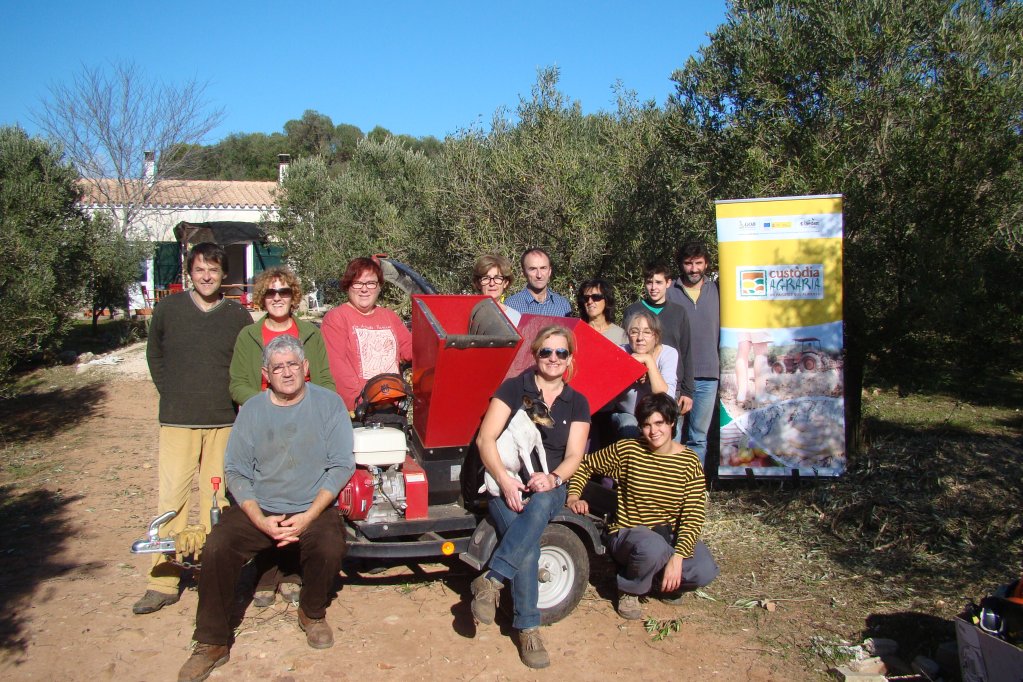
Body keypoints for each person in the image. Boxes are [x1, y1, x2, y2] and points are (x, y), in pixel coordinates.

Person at [177, 335, 354, 682]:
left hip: (311, 505)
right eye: (278, 367)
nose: (286, 373)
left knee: (330, 545)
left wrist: (308, 516)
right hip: (261, 505)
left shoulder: (329, 405)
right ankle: (211, 642)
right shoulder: (253, 411)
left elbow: (340, 465)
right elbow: (236, 471)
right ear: (266, 374)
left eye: (292, 365)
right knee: (217, 547)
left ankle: (312, 612)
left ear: (305, 368)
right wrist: (259, 518)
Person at [133, 242, 252, 616]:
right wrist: (172, 391)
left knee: (218, 503)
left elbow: (247, 363)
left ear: (223, 275)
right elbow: (156, 355)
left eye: (214, 271)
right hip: (178, 419)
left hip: (223, 420)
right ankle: (163, 580)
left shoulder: (237, 315)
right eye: (200, 269)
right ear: (189, 271)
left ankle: (215, 575)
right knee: (172, 500)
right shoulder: (168, 310)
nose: (206, 276)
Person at [470, 325, 590, 669]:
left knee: (538, 506)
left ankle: (492, 581)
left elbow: (574, 457)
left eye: (561, 353)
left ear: (569, 359)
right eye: (546, 352)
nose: (553, 359)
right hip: (504, 483)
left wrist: (552, 478)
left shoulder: (577, 402)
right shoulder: (514, 388)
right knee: (530, 543)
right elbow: (485, 440)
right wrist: (505, 482)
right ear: (535, 355)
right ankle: (528, 628)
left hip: (551, 485)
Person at [229, 266, 336, 606]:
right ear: (262, 296)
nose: (277, 298)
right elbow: (238, 383)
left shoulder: (309, 335)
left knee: (299, 491)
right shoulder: (249, 336)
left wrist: (313, 411)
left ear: (293, 296)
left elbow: (323, 379)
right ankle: (265, 570)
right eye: (271, 293)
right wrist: (266, 405)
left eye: (284, 292)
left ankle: (291, 570)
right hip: (263, 424)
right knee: (266, 491)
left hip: (303, 423)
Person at [567, 393, 718, 621]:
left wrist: (677, 558)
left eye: (659, 423)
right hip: (630, 533)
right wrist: (573, 495)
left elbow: (693, 514)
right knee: (651, 548)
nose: (653, 431)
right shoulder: (629, 450)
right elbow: (584, 465)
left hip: (667, 536)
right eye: (646, 425)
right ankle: (630, 588)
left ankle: (660, 579)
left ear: (672, 423)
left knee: (704, 569)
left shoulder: (689, 462)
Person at [321, 257, 413, 411]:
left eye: (371, 283)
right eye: (358, 283)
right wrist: (362, 403)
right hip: (360, 409)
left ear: (379, 287)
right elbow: (337, 367)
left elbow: (410, 349)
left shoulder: (390, 317)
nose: (364, 289)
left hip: (393, 405)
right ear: (348, 285)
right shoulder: (336, 318)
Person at [666, 243, 720, 469]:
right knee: (673, 433)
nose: (694, 268)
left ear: (706, 263)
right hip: (677, 376)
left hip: (708, 375)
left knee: (698, 436)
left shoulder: (718, 290)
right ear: (681, 265)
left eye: (698, 263)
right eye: (689, 263)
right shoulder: (670, 292)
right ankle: (671, 487)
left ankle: (695, 488)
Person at [623, 261, 694, 417]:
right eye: (649, 282)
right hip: (638, 386)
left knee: (670, 433)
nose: (654, 287)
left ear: (668, 283)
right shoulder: (633, 311)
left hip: (671, 385)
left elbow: (686, 351)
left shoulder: (679, 312)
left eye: (659, 282)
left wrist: (687, 391)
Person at [611, 310, 678, 440]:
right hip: (628, 413)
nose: (640, 338)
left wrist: (649, 361)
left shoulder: (669, 353)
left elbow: (665, 396)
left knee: (674, 433)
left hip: (659, 414)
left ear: (656, 336)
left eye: (647, 332)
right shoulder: (620, 352)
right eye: (634, 332)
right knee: (629, 430)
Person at [504, 248, 572, 317]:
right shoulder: (511, 306)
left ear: (550, 271)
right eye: (533, 269)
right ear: (524, 273)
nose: (539, 275)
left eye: (543, 268)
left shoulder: (563, 305)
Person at [472, 254, 521, 326]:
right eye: (486, 278)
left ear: (505, 283)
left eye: (497, 278)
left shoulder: (515, 317)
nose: (492, 283)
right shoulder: (470, 315)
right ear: (478, 283)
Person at [576, 278, 627, 345]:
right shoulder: (575, 333)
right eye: (586, 298)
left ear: (606, 300)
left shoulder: (621, 336)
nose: (590, 301)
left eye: (596, 297)